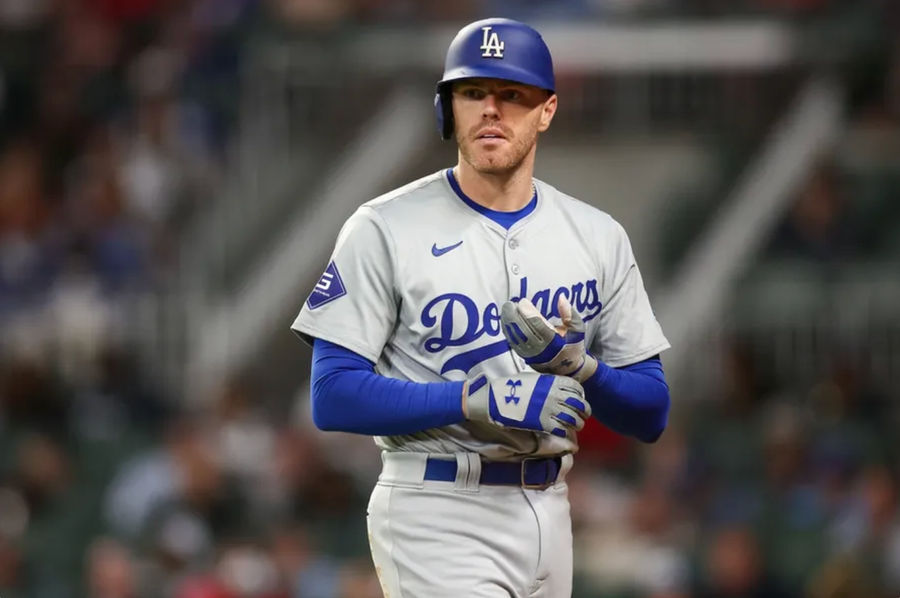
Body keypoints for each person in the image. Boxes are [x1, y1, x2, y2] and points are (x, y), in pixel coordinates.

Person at [291, 17, 671, 597]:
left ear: (546, 110)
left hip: (550, 507)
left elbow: (652, 412)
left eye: (511, 94)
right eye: (472, 93)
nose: (490, 109)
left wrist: (581, 368)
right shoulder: (384, 227)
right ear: (448, 108)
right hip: (435, 502)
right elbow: (332, 394)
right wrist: (471, 399)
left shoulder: (598, 236)